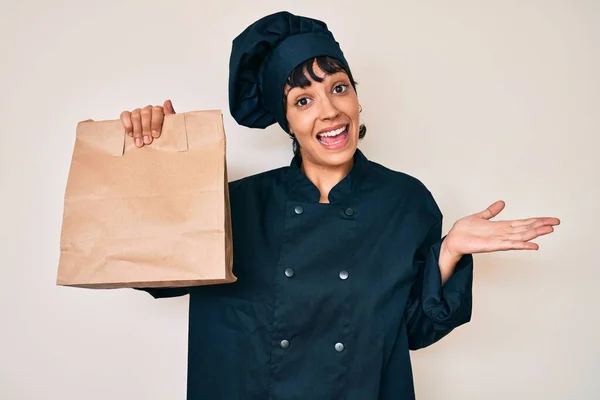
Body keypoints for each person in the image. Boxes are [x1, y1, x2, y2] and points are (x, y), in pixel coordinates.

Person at [115, 11, 559, 400]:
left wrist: (449, 252)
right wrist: (159, 163)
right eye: (303, 100)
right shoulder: (236, 205)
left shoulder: (405, 202)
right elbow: (153, 272)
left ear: (357, 97)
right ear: (286, 120)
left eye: (339, 88)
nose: (329, 111)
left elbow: (413, 331)